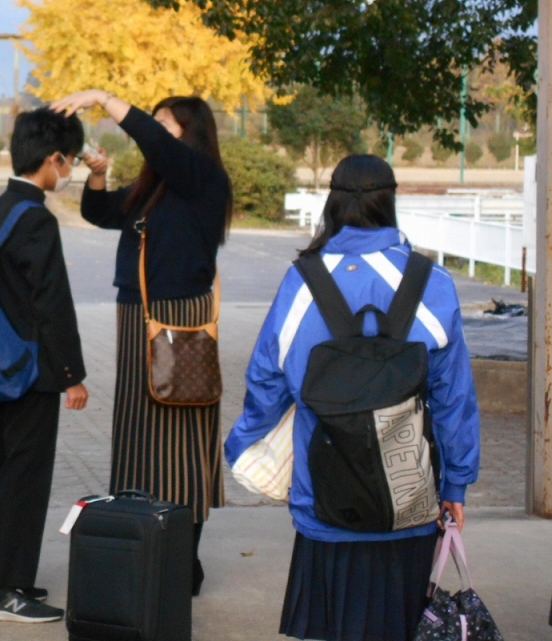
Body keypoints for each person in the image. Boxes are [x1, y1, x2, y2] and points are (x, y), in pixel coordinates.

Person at [224, 154, 480, 641]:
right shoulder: (432, 283)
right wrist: (456, 485)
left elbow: (266, 379)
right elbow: (454, 397)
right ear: (390, 200)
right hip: (410, 499)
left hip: (325, 497)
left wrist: (242, 445)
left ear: (334, 202)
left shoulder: (303, 281)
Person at [51, 89, 232, 597]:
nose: (156, 128)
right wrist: (98, 174)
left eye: (166, 121)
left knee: (182, 439)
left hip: (180, 320)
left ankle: (181, 562)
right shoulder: (156, 185)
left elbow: (155, 143)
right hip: (137, 316)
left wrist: (100, 97)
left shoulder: (200, 176)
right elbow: (101, 213)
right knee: (138, 436)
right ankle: (146, 547)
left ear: (191, 132)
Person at [0, 107, 90, 624]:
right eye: (70, 160)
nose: (69, 170)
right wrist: (72, 376)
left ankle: (3, 579)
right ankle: (4, 593)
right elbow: (52, 303)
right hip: (33, 369)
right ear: (54, 158)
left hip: (3, 363)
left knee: (10, 473)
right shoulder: (36, 217)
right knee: (26, 479)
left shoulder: (3, 207)